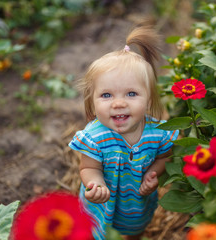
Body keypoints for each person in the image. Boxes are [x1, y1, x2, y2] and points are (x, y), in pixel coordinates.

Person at [69, 25, 179, 240]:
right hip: (101, 205)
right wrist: (95, 184)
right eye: (107, 95)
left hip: (136, 204)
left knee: (135, 231)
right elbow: (88, 167)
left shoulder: (157, 133)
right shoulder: (95, 137)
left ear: (148, 98)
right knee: (96, 233)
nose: (118, 103)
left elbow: (166, 157)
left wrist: (154, 173)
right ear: (92, 100)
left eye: (131, 93)